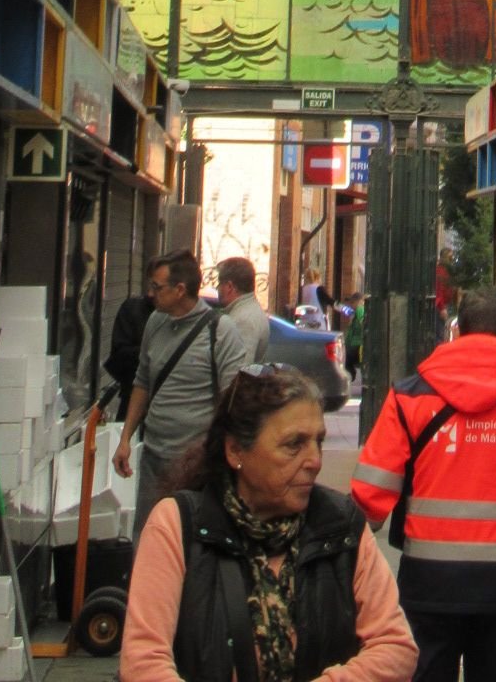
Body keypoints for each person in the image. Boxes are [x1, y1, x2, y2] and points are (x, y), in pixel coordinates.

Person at [350, 285, 496, 682]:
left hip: (427, 583)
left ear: (458, 331)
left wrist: (347, 565)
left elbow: (369, 495)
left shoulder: (409, 396)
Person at [120, 362, 418, 682]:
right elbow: (143, 662)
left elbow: (396, 647)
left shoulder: (341, 525)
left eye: (318, 441)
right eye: (294, 444)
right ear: (236, 450)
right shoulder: (177, 525)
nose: (315, 461)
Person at [113, 250, 251, 539]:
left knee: (190, 538)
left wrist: (222, 453)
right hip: (154, 455)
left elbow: (232, 399)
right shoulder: (155, 322)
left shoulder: (220, 331)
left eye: (157, 287)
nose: (150, 293)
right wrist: (125, 439)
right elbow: (142, 382)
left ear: (180, 290)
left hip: (195, 462)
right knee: (149, 535)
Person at [104, 260, 158, 419]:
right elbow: (118, 356)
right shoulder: (133, 309)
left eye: (158, 287)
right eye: (151, 284)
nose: (152, 293)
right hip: (132, 397)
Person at [215, 255, 270, 364]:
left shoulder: (243, 320)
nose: (217, 288)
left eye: (220, 283)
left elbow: (240, 368)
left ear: (229, 287)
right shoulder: (249, 311)